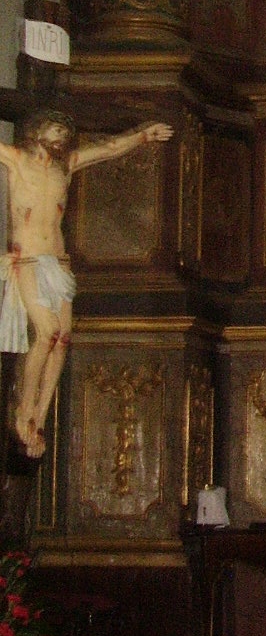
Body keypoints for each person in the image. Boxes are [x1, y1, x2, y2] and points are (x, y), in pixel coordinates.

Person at [0, 109, 173, 458]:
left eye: (65, 133)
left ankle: (40, 416)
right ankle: (23, 410)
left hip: (58, 262)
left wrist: (143, 136)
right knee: (47, 333)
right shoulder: (17, 160)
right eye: (55, 130)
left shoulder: (66, 165)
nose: (61, 137)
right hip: (29, 260)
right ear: (37, 132)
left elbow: (109, 148)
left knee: (62, 339)